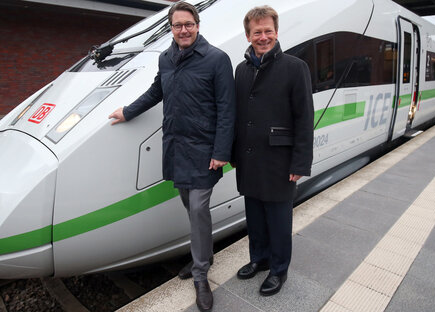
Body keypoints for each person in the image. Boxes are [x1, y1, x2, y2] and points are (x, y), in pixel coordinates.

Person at [108, 2, 235, 310]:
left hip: (205, 152)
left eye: (188, 24)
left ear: (198, 25)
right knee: (189, 209)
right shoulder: (166, 58)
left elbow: (228, 109)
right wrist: (127, 111)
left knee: (198, 208)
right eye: (177, 25)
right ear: (172, 28)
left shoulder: (217, 59)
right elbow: (156, 91)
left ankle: (201, 274)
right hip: (176, 149)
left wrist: (221, 152)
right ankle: (204, 255)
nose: (183, 30)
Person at [231, 5, 313, 296]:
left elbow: (304, 118)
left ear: (276, 33)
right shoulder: (241, 70)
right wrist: (233, 154)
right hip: (249, 159)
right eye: (257, 32)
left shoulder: (295, 67)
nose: (263, 37)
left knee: (278, 220)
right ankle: (260, 259)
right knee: (254, 215)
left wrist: (300, 162)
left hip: (280, 160)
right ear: (248, 35)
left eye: (268, 31)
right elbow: (238, 115)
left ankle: (279, 269)